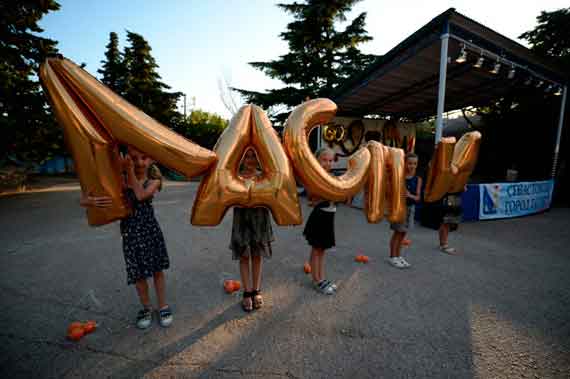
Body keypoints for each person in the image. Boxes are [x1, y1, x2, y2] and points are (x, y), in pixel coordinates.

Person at [81, 146, 172, 329]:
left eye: (144, 158)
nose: (139, 162)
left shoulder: (154, 181)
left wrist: (128, 170)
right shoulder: (121, 180)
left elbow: (140, 195)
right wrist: (87, 201)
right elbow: (86, 198)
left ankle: (163, 306)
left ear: (152, 160)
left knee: (157, 271)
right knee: (138, 275)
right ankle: (146, 308)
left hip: (150, 231)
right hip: (130, 233)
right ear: (126, 158)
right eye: (134, 158)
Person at [230, 148, 274, 312]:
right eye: (246, 156)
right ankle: (247, 292)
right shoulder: (235, 175)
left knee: (257, 255)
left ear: (259, 157)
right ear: (241, 158)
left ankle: (256, 290)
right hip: (242, 217)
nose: (250, 159)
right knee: (243, 255)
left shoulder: (264, 174)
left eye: (253, 156)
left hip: (259, 217)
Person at [303, 147, 338, 295]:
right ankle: (318, 280)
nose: (328, 163)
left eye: (330, 160)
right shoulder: (316, 177)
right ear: (317, 161)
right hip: (320, 216)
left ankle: (319, 277)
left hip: (329, 216)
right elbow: (311, 198)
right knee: (318, 250)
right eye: (324, 160)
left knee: (320, 250)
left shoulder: (332, 176)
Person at [388, 153, 422, 269]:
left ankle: (398, 256)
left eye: (415, 164)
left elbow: (418, 197)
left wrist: (409, 195)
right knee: (397, 233)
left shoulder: (418, 179)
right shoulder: (400, 177)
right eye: (410, 163)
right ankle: (392, 257)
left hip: (410, 209)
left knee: (403, 233)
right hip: (400, 208)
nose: (412, 166)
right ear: (405, 163)